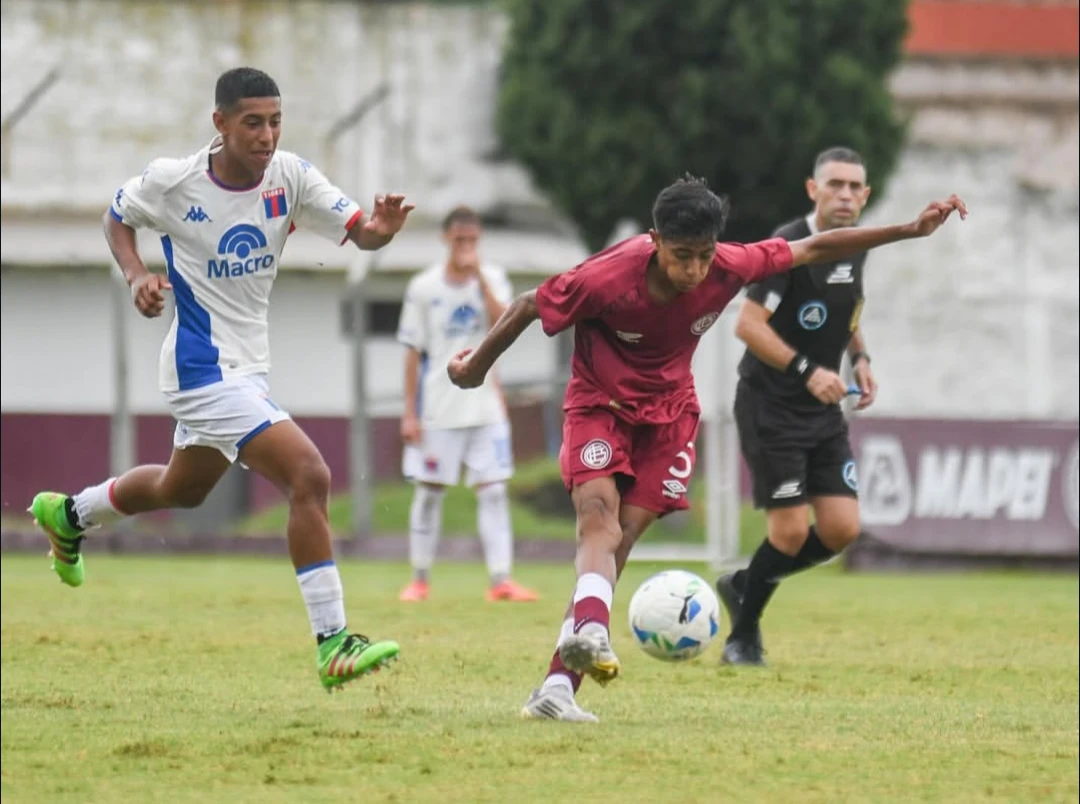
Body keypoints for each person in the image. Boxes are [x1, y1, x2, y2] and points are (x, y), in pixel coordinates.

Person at [447, 174, 967, 722]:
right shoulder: (608, 277)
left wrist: (910, 229)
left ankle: (557, 687)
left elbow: (813, 246)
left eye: (702, 255)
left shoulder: (729, 265)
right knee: (598, 521)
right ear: (655, 240)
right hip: (599, 407)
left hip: (670, 420)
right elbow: (530, 303)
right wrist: (475, 367)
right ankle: (592, 630)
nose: (694, 270)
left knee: (618, 541)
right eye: (680, 256)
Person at [27, 67, 414, 693]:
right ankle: (333, 641)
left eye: (275, 121)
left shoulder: (290, 176)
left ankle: (70, 514)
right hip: (199, 369)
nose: (266, 135)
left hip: (247, 368)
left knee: (183, 489)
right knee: (309, 475)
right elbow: (116, 216)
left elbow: (361, 234)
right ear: (221, 124)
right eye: (252, 122)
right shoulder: (174, 182)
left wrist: (383, 230)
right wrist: (136, 277)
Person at [716, 146, 878, 667]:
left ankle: (745, 582)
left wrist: (860, 358)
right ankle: (742, 638)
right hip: (770, 407)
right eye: (836, 184)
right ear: (814, 189)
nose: (846, 194)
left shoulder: (856, 246)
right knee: (786, 533)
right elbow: (747, 326)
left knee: (841, 530)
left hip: (821, 414)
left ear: (866, 195)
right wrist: (809, 372)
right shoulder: (787, 246)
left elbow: (848, 309)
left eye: (855, 186)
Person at [395, 206, 539, 603]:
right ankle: (419, 579)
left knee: (493, 492)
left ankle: (501, 580)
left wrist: (477, 278)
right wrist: (409, 412)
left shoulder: (493, 279)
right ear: (446, 239)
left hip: (486, 406)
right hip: (438, 407)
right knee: (429, 492)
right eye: (460, 240)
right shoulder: (423, 287)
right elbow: (412, 352)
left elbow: (504, 323)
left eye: (473, 241)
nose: (466, 247)